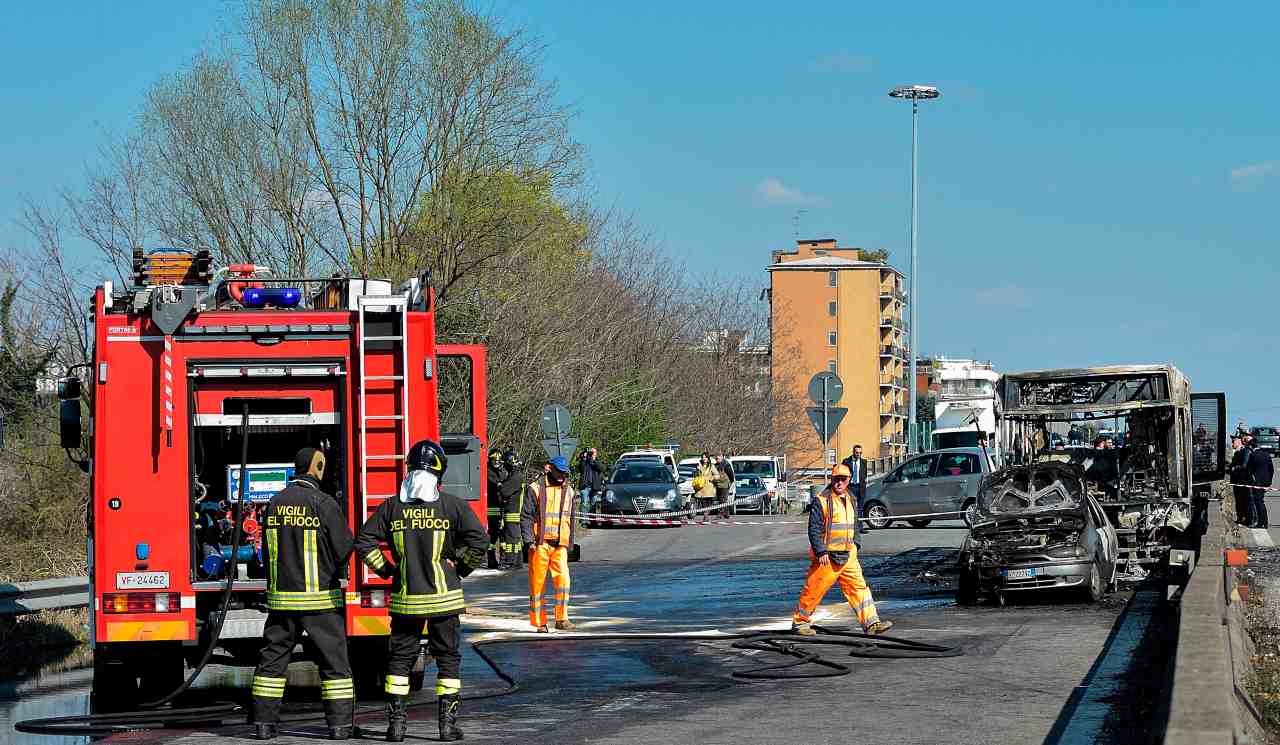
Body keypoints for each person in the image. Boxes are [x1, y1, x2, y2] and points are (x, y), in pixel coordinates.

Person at [354, 439, 489, 742]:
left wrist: (389, 571)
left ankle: (397, 727)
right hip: (445, 600)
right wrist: (461, 569)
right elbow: (480, 540)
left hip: (406, 602)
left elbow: (363, 541)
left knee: (399, 662)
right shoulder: (453, 505)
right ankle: (447, 726)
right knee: (448, 660)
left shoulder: (391, 506)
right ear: (440, 471)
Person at [251, 448, 354, 741]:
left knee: (272, 662)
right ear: (317, 468)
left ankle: (263, 725)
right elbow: (344, 548)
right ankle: (340, 727)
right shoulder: (323, 503)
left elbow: (267, 552)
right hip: (320, 602)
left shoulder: (274, 502)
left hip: (282, 602)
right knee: (334, 665)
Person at [791, 464, 893, 637]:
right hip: (827, 557)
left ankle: (871, 623)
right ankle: (800, 622)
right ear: (831, 479)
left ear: (848, 480)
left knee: (859, 589)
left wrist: (856, 545)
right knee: (814, 589)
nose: (839, 482)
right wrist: (821, 552)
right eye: (836, 479)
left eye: (843, 479)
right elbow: (814, 529)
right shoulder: (821, 500)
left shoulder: (851, 498)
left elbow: (855, 525)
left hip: (848, 555)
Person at [521, 456, 579, 632]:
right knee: (537, 584)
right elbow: (526, 516)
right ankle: (539, 622)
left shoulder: (569, 491)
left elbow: (571, 519)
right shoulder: (535, 488)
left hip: (559, 545)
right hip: (540, 544)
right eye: (559, 472)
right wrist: (529, 539)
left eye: (564, 473)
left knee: (563, 581)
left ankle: (562, 619)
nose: (562, 476)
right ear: (549, 469)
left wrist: (570, 543)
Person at [498, 449, 526, 569]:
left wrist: (500, 486)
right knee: (515, 539)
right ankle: (517, 561)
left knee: (511, 539)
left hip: (512, 512)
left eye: (505, 463)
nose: (504, 466)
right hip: (515, 512)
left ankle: (511, 562)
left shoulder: (515, 477)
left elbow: (504, 491)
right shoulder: (517, 475)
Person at [485, 450, 508, 568]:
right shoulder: (488, 472)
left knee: (503, 535)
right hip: (492, 507)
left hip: (502, 507)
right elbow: (497, 484)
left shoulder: (502, 471)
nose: (497, 463)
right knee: (493, 535)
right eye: (495, 461)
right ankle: (491, 560)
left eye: (499, 461)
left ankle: (503, 559)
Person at [1248, 434, 1274, 529]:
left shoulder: (1253, 455)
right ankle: (1265, 522)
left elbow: (1249, 470)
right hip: (1265, 481)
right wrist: (1269, 482)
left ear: (1251, 446)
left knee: (1258, 502)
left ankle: (1261, 522)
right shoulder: (1266, 454)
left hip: (1257, 482)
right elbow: (1271, 469)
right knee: (1261, 501)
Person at [841, 445, 869, 531]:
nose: (858, 454)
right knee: (850, 507)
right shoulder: (846, 461)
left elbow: (864, 474)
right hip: (850, 487)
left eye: (860, 453)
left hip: (860, 487)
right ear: (853, 452)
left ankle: (860, 527)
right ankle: (850, 527)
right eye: (857, 453)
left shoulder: (864, 462)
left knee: (860, 508)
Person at [694, 452, 720, 524]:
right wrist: (697, 470)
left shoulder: (711, 466)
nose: (704, 458)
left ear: (708, 458)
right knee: (703, 502)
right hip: (701, 487)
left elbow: (717, 475)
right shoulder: (699, 465)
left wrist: (712, 478)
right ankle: (706, 515)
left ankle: (706, 515)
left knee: (709, 501)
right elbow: (695, 474)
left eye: (705, 457)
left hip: (708, 487)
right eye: (702, 457)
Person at [715, 452, 735, 519]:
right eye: (716, 458)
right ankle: (727, 513)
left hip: (725, 485)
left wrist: (730, 482)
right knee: (721, 499)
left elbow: (731, 475)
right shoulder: (715, 465)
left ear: (722, 457)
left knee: (723, 499)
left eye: (718, 458)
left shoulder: (726, 465)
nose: (717, 459)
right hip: (718, 484)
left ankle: (720, 513)